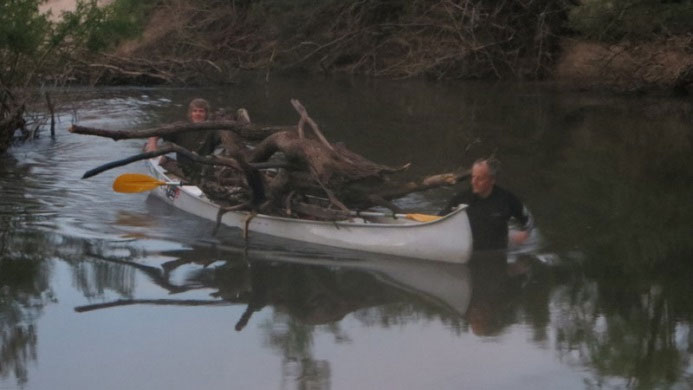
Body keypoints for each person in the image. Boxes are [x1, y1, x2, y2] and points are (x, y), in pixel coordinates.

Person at [440, 158, 532, 251]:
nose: (473, 182)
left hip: (498, 254)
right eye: (473, 177)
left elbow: (528, 221)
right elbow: (439, 219)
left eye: (479, 178)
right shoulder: (461, 199)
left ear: (492, 180)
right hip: (469, 252)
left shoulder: (507, 199)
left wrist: (525, 234)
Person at [145, 98, 222, 181]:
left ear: (206, 114)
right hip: (182, 169)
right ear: (190, 113)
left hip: (204, 169)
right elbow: (157, 132)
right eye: (195, 111)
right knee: (163, 160)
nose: (197, 114)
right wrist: (152, 144)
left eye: (201, 111)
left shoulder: (213, 130)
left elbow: (224, 144)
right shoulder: (181, 127)